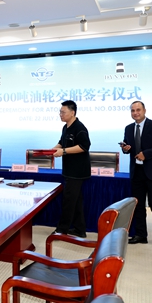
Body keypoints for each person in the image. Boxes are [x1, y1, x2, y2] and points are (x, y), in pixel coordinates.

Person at [121, 101, 152, 246]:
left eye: (138, 110)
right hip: (137, 172)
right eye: (132, 110)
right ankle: (141, 234)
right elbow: (129, 147)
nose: (135, 113)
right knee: (138, 205)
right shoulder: (128, 128)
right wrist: (125, 149)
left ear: (144, 110)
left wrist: (146, 154)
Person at [52, 100, 91, 238]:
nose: (60, 114)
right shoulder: (66, 127)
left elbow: (84, 146)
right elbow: (61, 142)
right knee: (76, 201)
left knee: (68, 201)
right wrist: (52, 150)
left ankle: (61, 230)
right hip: (69, 170)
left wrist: (63, 151)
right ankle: (80, 229)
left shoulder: (79, 127)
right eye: (60, 112)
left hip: (77, 171)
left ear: (72, 112)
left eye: (63, 112)